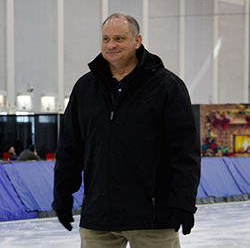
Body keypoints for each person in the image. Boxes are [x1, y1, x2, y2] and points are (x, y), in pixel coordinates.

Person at [52, 13, 201, 248]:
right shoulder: (85, 88)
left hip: (152, 217)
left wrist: (183, 202)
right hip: (99, 218)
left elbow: (185, 152)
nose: (111, 45)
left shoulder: (166, 86)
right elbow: (70, 148)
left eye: (119, 38)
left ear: (137, 41)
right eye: (106, 39)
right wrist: (62, 195)